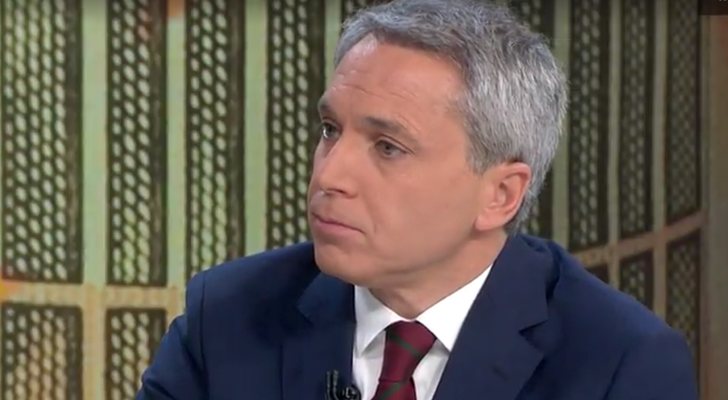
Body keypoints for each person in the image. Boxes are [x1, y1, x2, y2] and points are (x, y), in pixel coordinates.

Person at [137, 0, 698, 399]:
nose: (330, 175)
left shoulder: (620, 364)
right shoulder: (228, 317)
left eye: (388, 147)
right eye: (331, 130)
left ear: (500, 194)